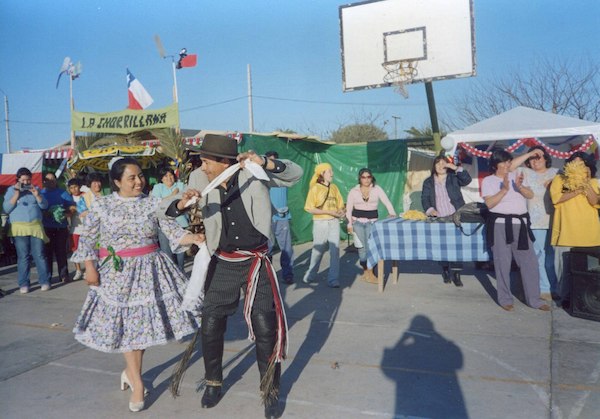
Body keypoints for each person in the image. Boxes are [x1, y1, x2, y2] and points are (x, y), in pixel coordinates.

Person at [164, 134, 303, 418]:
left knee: (266, 326)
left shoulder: (252, 172)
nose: (202, 166)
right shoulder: (199, 180)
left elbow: (294, 174)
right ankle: (214, 382)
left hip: (256, 261)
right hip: (224, 261)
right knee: (211, 322)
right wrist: (181, 205)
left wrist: (264, 161)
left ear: (223, 161)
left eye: (206, 161)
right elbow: (166, 208)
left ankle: (270, 390)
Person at [71, 157, 203, 413]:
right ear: (117, 181)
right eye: (131, 178)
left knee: (139, 330)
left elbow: (173, 231)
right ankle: (138, 383)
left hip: (151, 271)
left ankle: (131, 374)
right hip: (118, 275)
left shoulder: (152, 203)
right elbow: (86, 239)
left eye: (140, 176)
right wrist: (89, 267)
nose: (138, 181)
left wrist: (195, 237)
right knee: (128, 329)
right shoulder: (103, 205)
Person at [481, 148, 550, 312]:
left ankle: (534, 300)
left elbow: (530, 195)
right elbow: (489, 204)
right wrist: (504, 190)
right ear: (495, 164)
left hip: (520, 225)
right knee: (502, 263)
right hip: (499, 225)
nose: (507, 165)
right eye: (504, 162)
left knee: (530, 262)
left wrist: (519, 187)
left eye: (509, 162)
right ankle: (505, 299)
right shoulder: (488, 181)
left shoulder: (515, 176)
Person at [549, 151, 600, 308]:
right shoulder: (559, 179)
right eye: (574, 162)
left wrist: (585, 183)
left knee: (587, 272)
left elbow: (595, 201)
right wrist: (577, 190)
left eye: (582, 163)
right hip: (565, 232)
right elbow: (557, 198)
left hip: (589, 234)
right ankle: (564, 298)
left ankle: (584, 301)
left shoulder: (594, 182)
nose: (578, 166)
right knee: (563, 270)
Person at [421, 156, 472, 286]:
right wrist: (430, 209)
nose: (441, 166)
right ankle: (445, 270)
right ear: (434, 166)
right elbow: (425, 198)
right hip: (439, 218)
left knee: (456, 245)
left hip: (455, 215)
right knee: (442, 245)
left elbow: (467, 180)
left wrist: (454, 167)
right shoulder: (428, 182)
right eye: (438, 163)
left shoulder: (453, 178)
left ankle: (456, 274)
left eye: (444, 163)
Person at [2, 167, 51, 293]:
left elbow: (44, 206)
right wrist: (17, 194)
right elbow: (6, 208)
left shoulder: (36, 189)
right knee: (23, 256)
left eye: (28, 180)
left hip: (35, 227)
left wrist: (37, 195)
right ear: (17, 180)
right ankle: (24, 283)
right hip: (19, 228)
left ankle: (44, 281)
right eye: (23, 180)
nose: (26, 183)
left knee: (39, 255)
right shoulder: (11, 190)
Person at [520, 146, 558, 301]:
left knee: (552, 257)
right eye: (532, 158)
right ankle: (544, 288)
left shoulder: (556, 173)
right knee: (539, 256)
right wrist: (529, 153)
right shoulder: (526, 173)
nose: (535, 161)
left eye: (538, 157)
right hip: (535, 222)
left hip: (554, 220)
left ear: (546, 158)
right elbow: (512, 167)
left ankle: (555, 286)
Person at [346, 167, 396, 284]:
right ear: (360, 178)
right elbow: (348, 209)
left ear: (371, 177)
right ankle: (366, 272)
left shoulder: (377, 189)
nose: (366, 179)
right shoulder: (354, 191)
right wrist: (349, 224)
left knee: (371, 248)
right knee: (362, 251)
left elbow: (386, 201)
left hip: (372, 223)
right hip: (357, 223)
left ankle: (371, 273)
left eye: (368, 177)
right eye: (363, 177)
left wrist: (392, 213)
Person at [302, 163, 345, 288]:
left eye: (331, 171)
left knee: (335, 251)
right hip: (320, 223)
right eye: (329, 171)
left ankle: (333, 279)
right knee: (318, 250)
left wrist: (341, 212)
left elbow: (340, 204)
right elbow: (310, 208)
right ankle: (310, 274)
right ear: (322, 173)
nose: (332, 173)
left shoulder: (334, 187)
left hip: (334, 222)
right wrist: (328, 212)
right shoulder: (315, 188)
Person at [265, 150, 295, 285]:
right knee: (267, 249)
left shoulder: (284, 177)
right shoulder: (263, 178)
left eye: (274, 162)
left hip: (282, 218)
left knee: (286, 249)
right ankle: (266, 276)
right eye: (268, 161)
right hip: (268, 219)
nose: (271, 164)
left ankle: (287, 275)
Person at [151, 166, 189, 271]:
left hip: (180, 224)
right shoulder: (158, 188)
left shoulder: (180, 185)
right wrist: (173, 195)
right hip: (164, 225)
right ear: (161, 178)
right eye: (165, 176)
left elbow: (184, 201)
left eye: (171, 175)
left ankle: (182, 275)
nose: (169, 178)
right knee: (167, 254)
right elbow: (156, 203)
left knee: (180, 254)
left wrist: (168, 199)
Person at [41, 172, 76, 284]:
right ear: (44, 182)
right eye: (48, 180)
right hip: (46, 228)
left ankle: (64, 275)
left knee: (61, 252)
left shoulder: (63, 193)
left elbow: (72, 207)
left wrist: (64, 214)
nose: (51, 182)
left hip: (61, 228)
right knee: (47, 254)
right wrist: (45, 213)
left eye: (53, 179)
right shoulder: (40, 194)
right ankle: (48, 276)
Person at [67, 178, 85, 280]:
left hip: (86, 228)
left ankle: (88, 269)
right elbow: (68, 214)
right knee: (75, 250)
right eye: (72, 188)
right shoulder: (69, 199)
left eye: (76, 187)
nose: (74, 189)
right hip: (75, 228)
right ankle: (78, 270)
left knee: (88, 249)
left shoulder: (85, 196)